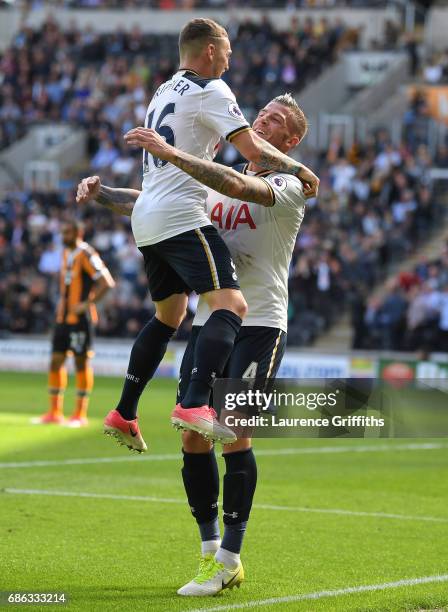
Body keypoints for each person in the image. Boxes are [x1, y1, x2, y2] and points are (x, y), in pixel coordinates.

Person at [77, 92, 309, 595]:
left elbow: (233, 184)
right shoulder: (215, 173)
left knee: (232, 430)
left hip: (261, 324)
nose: (260, 120)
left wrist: (171, 152)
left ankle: (230, 556)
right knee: (191, 435)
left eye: (273, 120)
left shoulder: (290, 183)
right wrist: (103, 194)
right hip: (212, 323)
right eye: (260, 113)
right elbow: (160, 204)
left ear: (289, 141)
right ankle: (209, 553)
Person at [95, 18, 319, 452]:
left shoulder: (163, 90)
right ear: (212, 51)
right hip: (178, 216)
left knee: (168, 316)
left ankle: (124, 411)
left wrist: (102, 192)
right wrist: (301, 167)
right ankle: (195, 404)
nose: (231, 62)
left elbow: (223, 179)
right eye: (229, 53)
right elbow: (247, 158)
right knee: (231, 302)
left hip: (150, 218)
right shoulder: (213, 90)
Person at [32, 220, 115, 427]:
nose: (63, 236)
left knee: (80, 362)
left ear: (79, 232)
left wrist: (87, 304)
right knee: (55, 361)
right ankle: (54, 411)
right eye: (62, 232)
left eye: (67, 232)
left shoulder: (86, 254)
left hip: (80, 319)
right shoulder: (65, 254)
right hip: (62, 318)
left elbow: (107, 282)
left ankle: (80, 414)